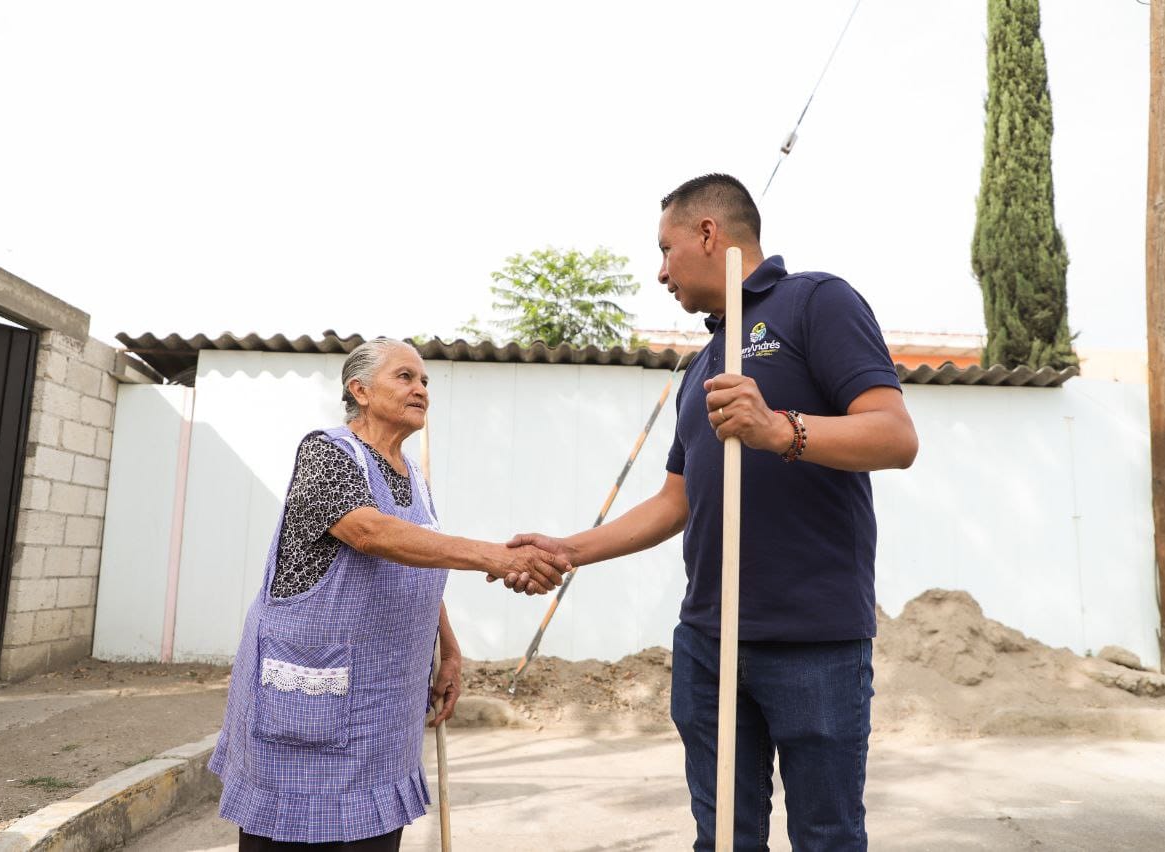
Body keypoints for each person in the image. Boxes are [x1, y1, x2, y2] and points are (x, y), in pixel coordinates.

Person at [505, 174, 918, 849]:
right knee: (723, 836)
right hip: (708, 640)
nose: (660, 271)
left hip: (812, 641)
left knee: (826, 835)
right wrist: (568, 550)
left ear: (708, 234)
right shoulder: (704, 365)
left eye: (665, 249)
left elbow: (896, 437)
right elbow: (678, 500)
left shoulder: (816, 301)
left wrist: (779, 428)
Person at [209, 338, 571, 851]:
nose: (421, 389)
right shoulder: (326, 452)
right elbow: (370, 534)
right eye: (406, 377)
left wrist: (448, 647)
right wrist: (496, 556)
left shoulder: (415, 476)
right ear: (359, 389)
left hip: (386, 710)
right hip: (315, 691)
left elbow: (417, 564)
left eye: (425, 381)